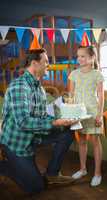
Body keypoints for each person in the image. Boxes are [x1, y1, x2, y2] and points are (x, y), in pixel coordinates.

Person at [0, 48, 77, 194]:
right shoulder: (19, 86)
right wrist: (54, 123)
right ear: (35, 64)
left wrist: (60, 121)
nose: (49, 64)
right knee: (36, 188)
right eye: (46, 61)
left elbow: (42, 117)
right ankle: (5, 166)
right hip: (17, 144)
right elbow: (23, 122)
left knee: (67, 132)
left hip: (34, 136)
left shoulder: (39, 89)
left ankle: (52, 173)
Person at [68, 45, 104, 186]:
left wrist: (99, 115)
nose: (79, 59)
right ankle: (83, 169)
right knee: (81, 140)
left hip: (93, 111)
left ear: (92, 58)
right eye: (78, 56)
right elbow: (71, 95)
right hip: (78, 112)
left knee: (95, 142)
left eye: (83, 56)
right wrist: (71, 112)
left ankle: (97, 173)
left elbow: (101, 96)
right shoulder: (74, 74)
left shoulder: (97, 74)